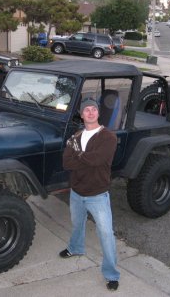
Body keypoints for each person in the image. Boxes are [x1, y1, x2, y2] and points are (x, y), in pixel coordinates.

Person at [60, 97, 120, 291]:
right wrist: (81, 157)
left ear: (98, 113)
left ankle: (111, 274)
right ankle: (76, 248)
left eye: (94, 109)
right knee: (77, 224)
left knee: (105, 233)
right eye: (87, 110)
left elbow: (97, 160)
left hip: (98, 194)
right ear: (81, 114)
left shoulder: (108, 137)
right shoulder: (75, 137)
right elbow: (66, 163)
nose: (91, 112)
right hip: (76, 192)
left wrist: (78, 155)